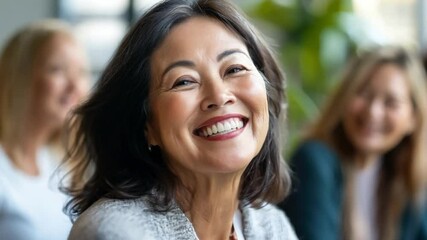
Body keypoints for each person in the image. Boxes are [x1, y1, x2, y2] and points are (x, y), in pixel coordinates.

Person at [63, 0, 297, 239]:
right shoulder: (115, 233)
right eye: (184, 81)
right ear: (146, 125)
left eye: (234, 69)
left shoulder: (272, 226)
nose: (218, 96)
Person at [279, 46, 427, 240]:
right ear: (344, 97)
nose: (373, 112)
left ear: (413, 119)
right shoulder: (314, 160)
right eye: (364, 94)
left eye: (390, 102)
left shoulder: (403, 178)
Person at [0, 19, 90, 240]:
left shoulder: (63, 167)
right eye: (57, 69)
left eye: (81, 72)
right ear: (20, 78)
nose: (75, 86)